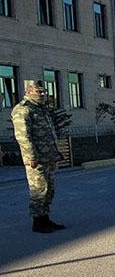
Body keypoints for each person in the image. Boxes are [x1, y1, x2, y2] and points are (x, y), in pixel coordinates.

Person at [11, 80, 65, 233]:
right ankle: (38, 222)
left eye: (43, 92)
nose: (42, 94)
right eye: (38, 92)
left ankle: (45, 218)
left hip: (48, 156)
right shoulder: (23, 110)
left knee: (49, 190)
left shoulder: (41, 109)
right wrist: (31, 157)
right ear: (28, 92)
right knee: (38, 190)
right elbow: (23, 137)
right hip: (36, 158)